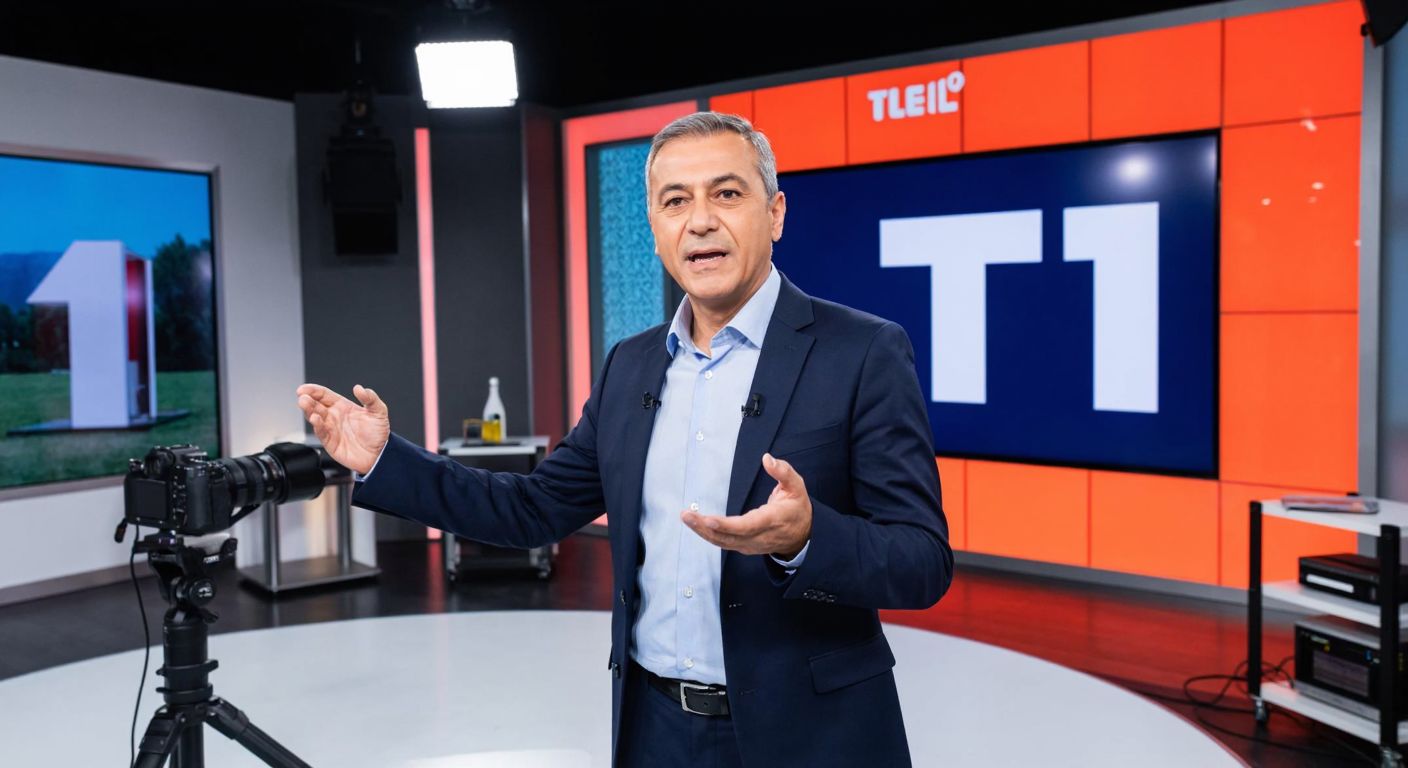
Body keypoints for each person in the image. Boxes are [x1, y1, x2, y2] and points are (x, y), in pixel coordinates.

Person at [297, 111, 953, 767]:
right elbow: (533, 509)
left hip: (810, 737)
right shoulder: (630, 366)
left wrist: (807, 538)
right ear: (657, 229)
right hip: (653, 731)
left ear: (776, 213)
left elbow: (922, 559)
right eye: (676, 201)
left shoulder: (864, 352)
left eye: (726, 193)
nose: (699, 220)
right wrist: (387, 459)